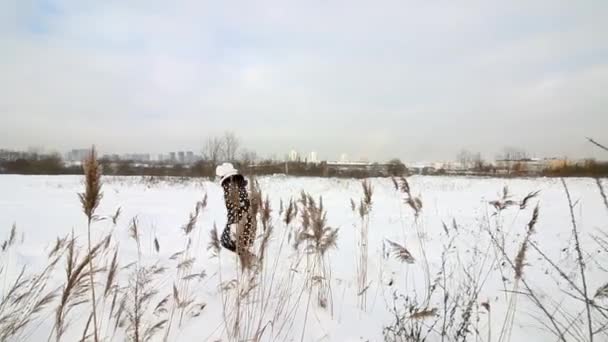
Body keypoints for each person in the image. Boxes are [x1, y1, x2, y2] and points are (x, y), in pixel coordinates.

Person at [216, 163, 256, 254]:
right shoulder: (239, 184)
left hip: (239, 220)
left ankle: (247, 262)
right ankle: (247, 261)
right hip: (248, 219)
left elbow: (234, 207)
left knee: (228, 242)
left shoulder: (229, 185)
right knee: (243, 244)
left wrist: (233, 223)